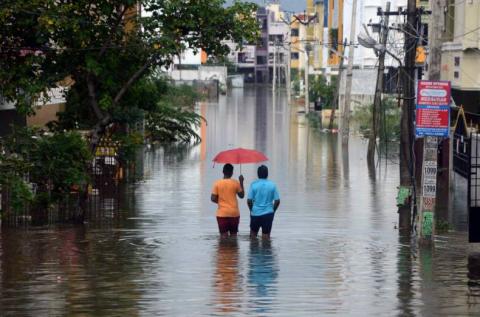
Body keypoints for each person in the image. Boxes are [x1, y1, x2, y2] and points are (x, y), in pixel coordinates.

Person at [211, 163, 245, 237]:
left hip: (222, 214)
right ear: (232, 173)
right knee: (234, 236)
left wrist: (220, 202)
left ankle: (224, 248)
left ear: (223, 171)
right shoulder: (236, 183)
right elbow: (242, 196)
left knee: (223, 237)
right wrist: (241, 182)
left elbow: (213, 198)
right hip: (234, 213)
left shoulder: (217, 183)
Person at [247, 165, 280, 239]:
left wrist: (252, 210)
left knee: (253, 237)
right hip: (268, 214)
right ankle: (266, 250)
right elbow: (277, 201)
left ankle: (254, 250)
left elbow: (249, 200)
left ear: (258, 174)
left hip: (255, 214)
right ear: (267, 174)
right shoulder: (272, 185)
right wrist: (273, 210)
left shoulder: (253, 185)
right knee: (266, 238)